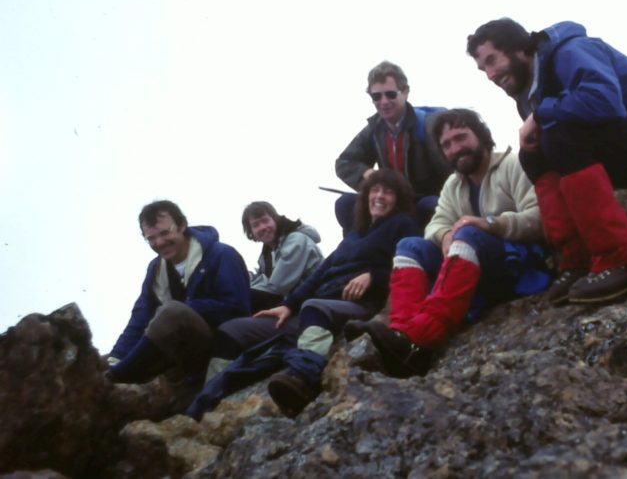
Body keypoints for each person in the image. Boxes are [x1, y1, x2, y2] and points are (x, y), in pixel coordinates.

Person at [467, 18, 627, 305]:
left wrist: (541, 115)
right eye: (483, 69)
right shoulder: (528, 93)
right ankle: (577, 261)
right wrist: (541, 116)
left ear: (518, 48)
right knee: (533, 154)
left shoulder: (571, 51)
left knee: (559, 134)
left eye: (492, 60)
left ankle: (620, 261)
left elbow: (605, 102)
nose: (490, 74)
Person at [345, 109, 549, 377]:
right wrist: (444, 237)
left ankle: (422, 339)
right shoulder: (454, 184)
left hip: (513, 266)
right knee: (410, 246)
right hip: (471, 267)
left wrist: (490, 223)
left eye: (461, 138)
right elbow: (436, 224)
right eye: (447, 145)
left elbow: (540, 217)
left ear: (481, 136)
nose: (455, 148)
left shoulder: (512, 164)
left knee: (467, 232)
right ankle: (400, 334)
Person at [203, 171, 419, 417]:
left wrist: (374, 275)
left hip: (353, 303)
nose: (379, 196)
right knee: (231, 331)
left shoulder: (403, 224)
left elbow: (409, 260)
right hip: (310, 307)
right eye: (374, 190)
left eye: (388, 191)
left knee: (315, 308)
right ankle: (208, 399)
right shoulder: (355, 233)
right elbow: (321, 271)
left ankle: (302, 377)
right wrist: (289, 304)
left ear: (398, 198)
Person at [106, 200, 250, 384]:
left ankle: (118, 376)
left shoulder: (222, 255)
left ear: (182, 226)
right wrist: (115, 357)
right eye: (151, 238)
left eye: (165, 233)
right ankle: (117, 369)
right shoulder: (156, 270)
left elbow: (238, 308)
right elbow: (140, 317)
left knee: (172, 312)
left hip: (218, 346)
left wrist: (186, 309)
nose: (159, 242)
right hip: (179, 351)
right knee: (112, 358)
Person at [334, 61, 452, 233]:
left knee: (431, 205)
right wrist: (367, 174)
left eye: (390, 94)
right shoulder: (374, 130)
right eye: (377, 96)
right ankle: (359, 251)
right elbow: (344, 162)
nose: (384, 101)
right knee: (344, 203)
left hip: (421, 201)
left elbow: (450, 171)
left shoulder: (428, 125)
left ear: (405, 92)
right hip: (390, 202)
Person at [241, 201, 324, 311]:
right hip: (291, 304)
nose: (262, 227)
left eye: (265, 221)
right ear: (251, 232)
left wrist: (242, 289)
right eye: (256, 225)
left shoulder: (296, 241)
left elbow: (278, 286)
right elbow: (263, 279)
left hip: (313, 303)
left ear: (275, 219)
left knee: (240, 301)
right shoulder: (267, 254)